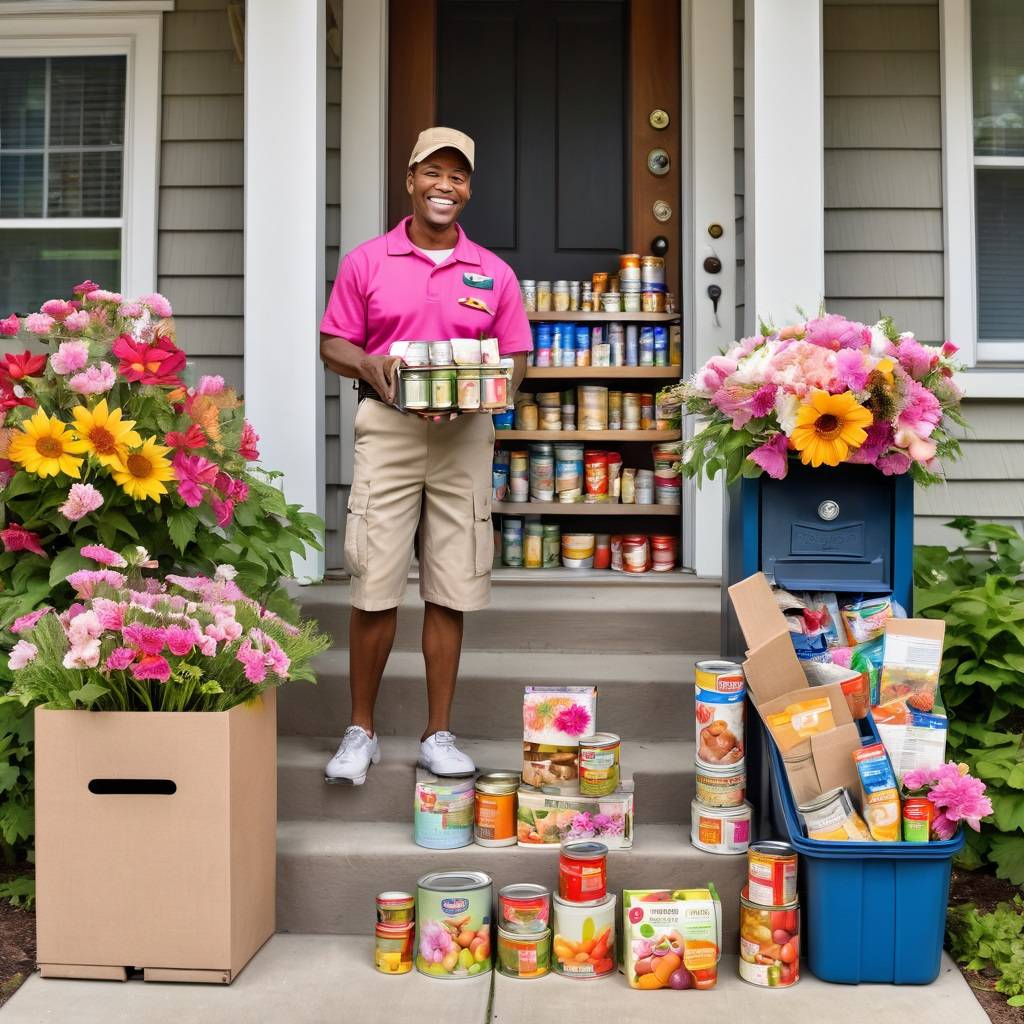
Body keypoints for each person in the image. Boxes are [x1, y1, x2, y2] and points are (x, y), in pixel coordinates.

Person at [318, 127, 531, 784]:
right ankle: (361, 730)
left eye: (458, 176)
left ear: (469, 189)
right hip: (388, 429)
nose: (446, 186)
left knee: (451, 582)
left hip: (463, 436)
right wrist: (372, 364)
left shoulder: (492, 272)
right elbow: (334, 343)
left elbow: (517, 355)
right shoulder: (367, 262)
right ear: (410, 181)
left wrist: (485, 395)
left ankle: (439, 734)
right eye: (433, 173)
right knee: (374, 579)